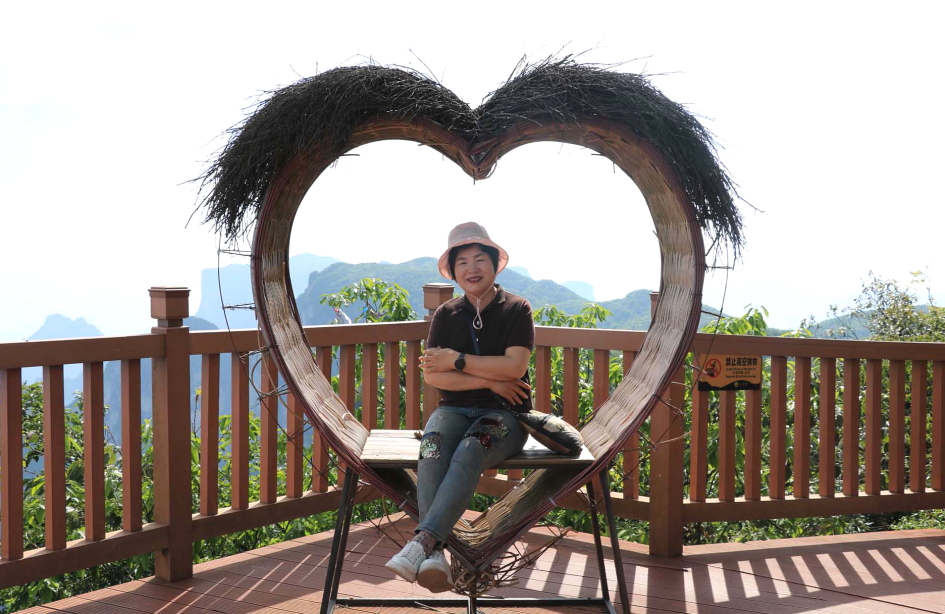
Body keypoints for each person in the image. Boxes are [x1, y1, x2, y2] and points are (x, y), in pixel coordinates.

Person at [385, 222, 535, 592]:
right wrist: (491, 380)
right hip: (452, 411)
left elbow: (515, 366)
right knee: (431, 448)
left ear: (495, 264)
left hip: (505, 415)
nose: (472, 268)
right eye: (462, 262)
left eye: (479, 259)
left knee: (471, 448)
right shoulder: (446, 314)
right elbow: (435, 377)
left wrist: (457, 359)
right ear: (453, 272)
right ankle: (435, 553)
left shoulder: (517, 308)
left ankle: (423, 542)